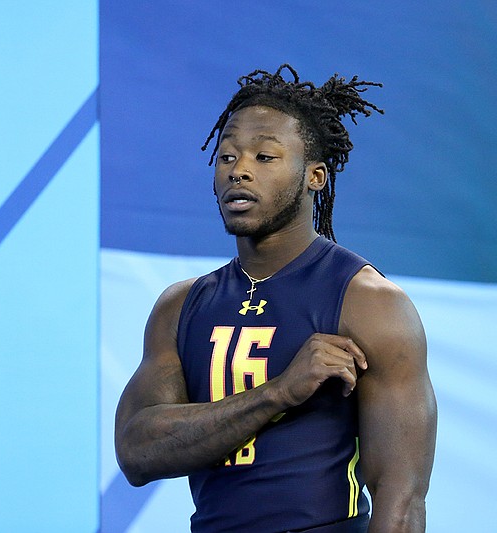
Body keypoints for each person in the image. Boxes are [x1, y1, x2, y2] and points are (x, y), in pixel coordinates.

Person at [115, 64, 437, 533]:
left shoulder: (368, 302)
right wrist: (278, 393)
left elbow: (402, 500)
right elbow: (136, 453)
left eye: (265, 157)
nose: (239, 170)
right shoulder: (180, 306)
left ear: (315, 177)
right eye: (227, 157)